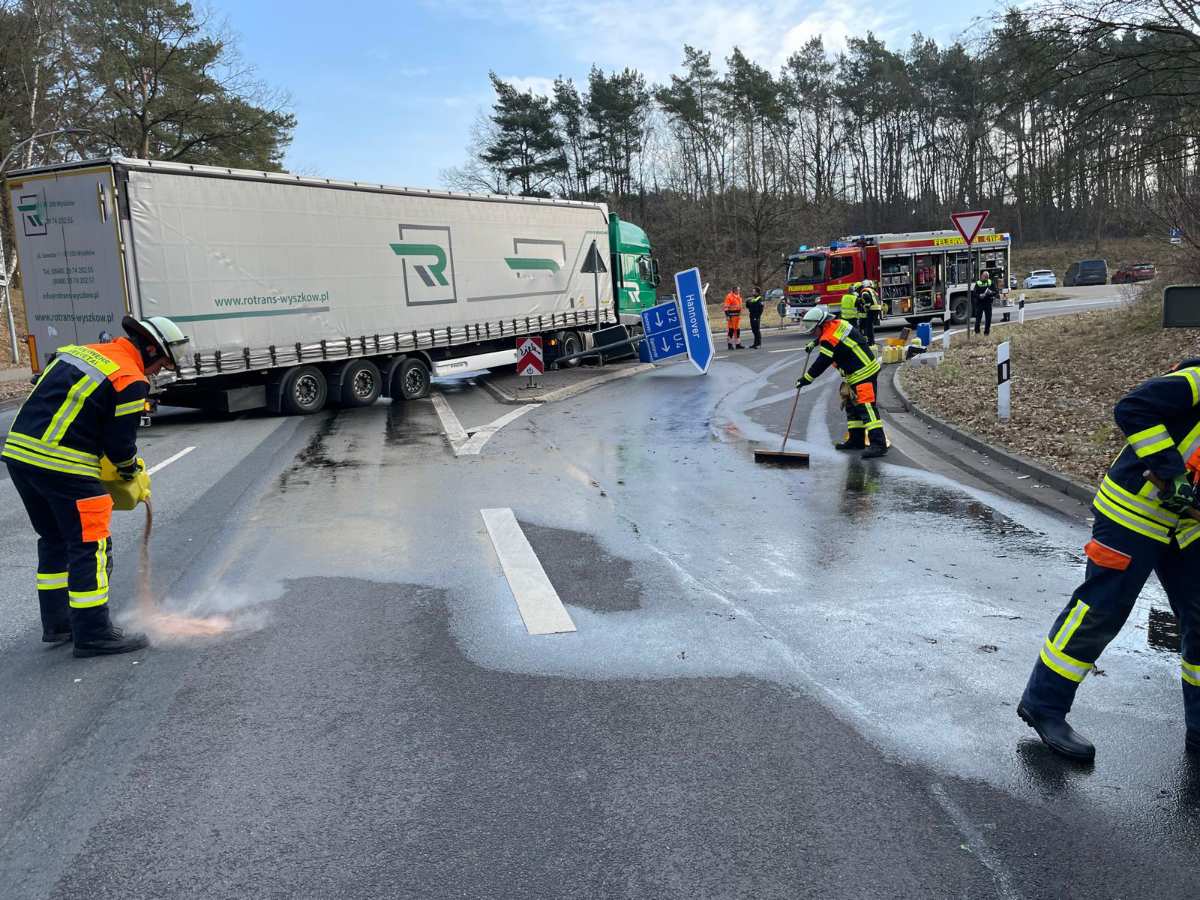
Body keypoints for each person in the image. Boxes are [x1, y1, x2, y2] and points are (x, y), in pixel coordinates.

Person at [1018, 360, 1200, 762]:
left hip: (1186, 526)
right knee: (1101, 610)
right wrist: (1171, 474)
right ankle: (1043, 705)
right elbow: (1132, 408)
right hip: (1132, 513)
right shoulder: (1197, 380)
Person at [3, 316, 189, 657]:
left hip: (19, 456)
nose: (158, 372)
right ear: (149, 349)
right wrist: (131, 471)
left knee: (55, 539)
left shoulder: (82, 352)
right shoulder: (130, 379)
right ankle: (93, 633)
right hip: (63, 466)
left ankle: (59, 623)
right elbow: (119, 446)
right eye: (161, 364)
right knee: (92, 545)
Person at [796, 305, 888, 459]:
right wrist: (814, 342)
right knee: (852, 407)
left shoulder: (829, 339)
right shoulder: (838, 324)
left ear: (821, 324)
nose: (812, 333)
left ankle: (878, 444)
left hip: (863, 372)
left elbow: (822, 362)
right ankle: (856, 440)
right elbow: (825, 335)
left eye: (813, 330)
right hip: (857, 372)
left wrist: (807, 378)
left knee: (867, 408)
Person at [972, 270, 997, 336]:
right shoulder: (978, 283)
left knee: (988, 319)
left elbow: (996, 292)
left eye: (987, 277)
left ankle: (986, 333)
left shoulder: (990, 282)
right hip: (980, 303)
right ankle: (977, 332)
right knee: (978, 319)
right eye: (984, 276)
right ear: (981, 276)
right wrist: (979, 295)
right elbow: (974, 294)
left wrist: (991, 292)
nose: (986, 278)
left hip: (988, 303)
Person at [859, 279, 882, 345]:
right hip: (877, 308)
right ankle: (871, 340)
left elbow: (867, 299)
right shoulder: (872, 290)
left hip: (872, 309)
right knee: (870, 325)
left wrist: (866, 307)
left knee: (869, 326)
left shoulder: (864, 291)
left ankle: (871, 341)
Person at [746, 284, 765, 349]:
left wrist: (756, 317)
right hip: (751, 315)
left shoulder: (759, 299)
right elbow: (748, 306)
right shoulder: (753, 299)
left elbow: (760, 309)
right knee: (754, 330)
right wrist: (748, 302)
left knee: (756, 330)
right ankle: (755, 343)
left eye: (754, 292)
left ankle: (758, 343)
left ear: (757, 292)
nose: (752, 293)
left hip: (756, 317)